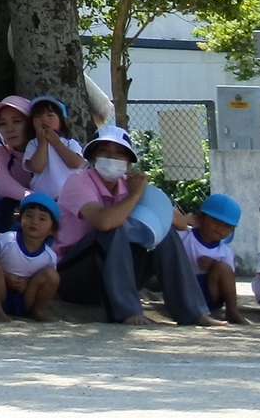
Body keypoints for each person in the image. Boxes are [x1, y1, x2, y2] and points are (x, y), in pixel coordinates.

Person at [53, 122, 204, 324]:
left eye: (118, 153)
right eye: (104, 151)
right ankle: (127, 312)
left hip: (116, 274)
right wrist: (134, 196)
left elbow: (177, 222)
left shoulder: (130, 184)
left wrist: (149, 193)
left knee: (163, 232)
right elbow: (104, 222)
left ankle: (193, 312)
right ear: (92, 157)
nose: (111, 157)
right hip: (76, 277)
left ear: (128, 163)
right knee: (111, 230)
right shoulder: (78, 182)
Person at [0, 193, 65, 320]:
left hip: (25, 297)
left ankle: (37, 311)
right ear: (20, 219)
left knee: (51, 275)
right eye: (29, 215)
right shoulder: (6, 239)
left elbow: (47, 284)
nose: (34, 222)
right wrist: (6, 276)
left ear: (52, 229)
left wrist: (28, 282)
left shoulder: (49, 256)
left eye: (42, 219)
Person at [181, 193, 244, 323]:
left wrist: (214, 265)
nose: (220, 228)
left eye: (227, 226)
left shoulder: (224, 251)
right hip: (185, 290)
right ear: (200, 217)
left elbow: (229, 278)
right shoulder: (185, 236)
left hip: (210, 294)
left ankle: (232, 311)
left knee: (222, 267)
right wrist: (184, 220)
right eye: (215, 221)